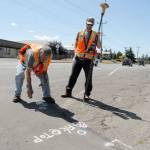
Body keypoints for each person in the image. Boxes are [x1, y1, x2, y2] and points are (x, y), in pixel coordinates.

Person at [61, 17, 101, 101]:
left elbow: (99, 46)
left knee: (88, 78)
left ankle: (87, 94)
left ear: (93, 25)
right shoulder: (79, 33)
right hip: (78, 58)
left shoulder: (95, 34)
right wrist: (75, 53)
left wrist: (99, 38)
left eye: (91, 24)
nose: (89, 26)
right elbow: (76, 44)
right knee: (73, 76)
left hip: (88, 59)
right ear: (85, 23)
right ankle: (68, 92)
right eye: (88, 24)